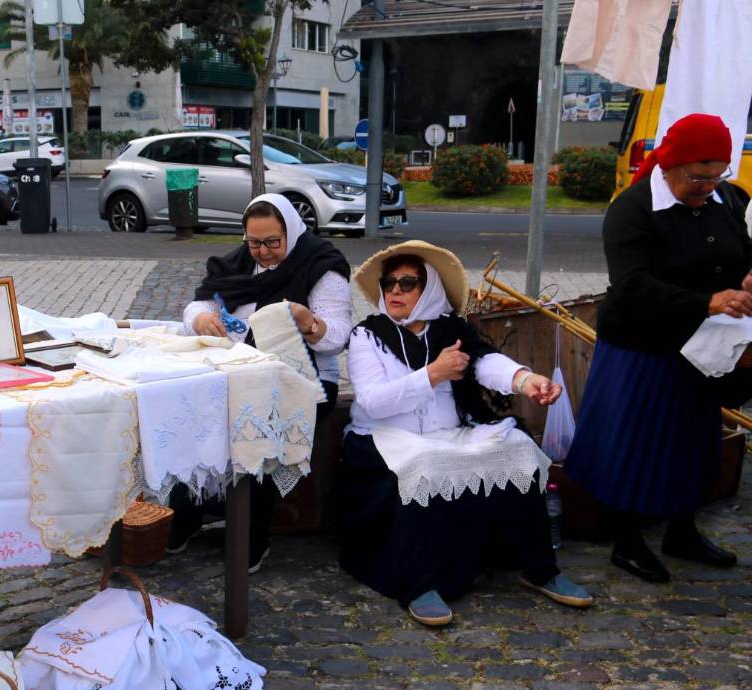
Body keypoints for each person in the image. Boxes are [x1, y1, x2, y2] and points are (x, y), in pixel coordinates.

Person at [339, 242, 593, 626]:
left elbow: (485, 362)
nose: (395, 291)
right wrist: (433, 374)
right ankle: (419, 582)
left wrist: (525, 380)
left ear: (429, 289)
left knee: (518, 448)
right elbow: (373, 402)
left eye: (408, 283)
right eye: (389, 282)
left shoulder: (450, 329)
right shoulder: (367, 335)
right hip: (385, 436)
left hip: (449, 431)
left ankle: (539, 568)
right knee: (422, 462)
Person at [564, 113, 752, 583]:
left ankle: (682, 531)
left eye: (716, 176)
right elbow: (631, 285)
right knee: (637, 444)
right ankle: (626, 542)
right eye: (698, 176)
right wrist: (706, 300)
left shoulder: (727, 198)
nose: (708, 186)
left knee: (694, 441)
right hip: (641, 347)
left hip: (705, 346)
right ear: (669, 164)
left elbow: (740, 252)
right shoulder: (632, 208)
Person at [169, 193, 354, 571]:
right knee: (185, 409)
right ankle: (189, 513)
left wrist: (308, 322)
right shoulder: (238, 262)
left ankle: (251, 534)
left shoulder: (321, 267)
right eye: (254, 243)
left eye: (273, 242)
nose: (264, 252)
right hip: (235, 369)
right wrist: (201, 319)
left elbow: (338, 336)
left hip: (303, 378)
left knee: (258, 421)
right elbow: (201, 301)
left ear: (292, 232)